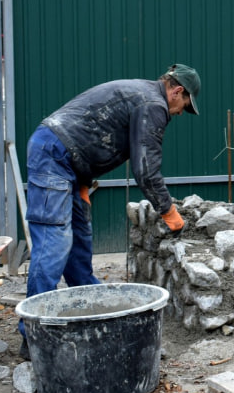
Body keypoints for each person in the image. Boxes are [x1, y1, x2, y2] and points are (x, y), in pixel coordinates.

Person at [20, 64, 200, 354]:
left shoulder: (142, 94)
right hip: (53, 157)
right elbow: (146, 169)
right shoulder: (153, 104)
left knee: (79, 237)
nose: (179, 113)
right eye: (184, 106)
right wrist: (169, 213)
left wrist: (81, 177)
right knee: (54, 241)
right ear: (177, 91)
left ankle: (88, 308)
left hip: (67, 162)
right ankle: (35, 335)